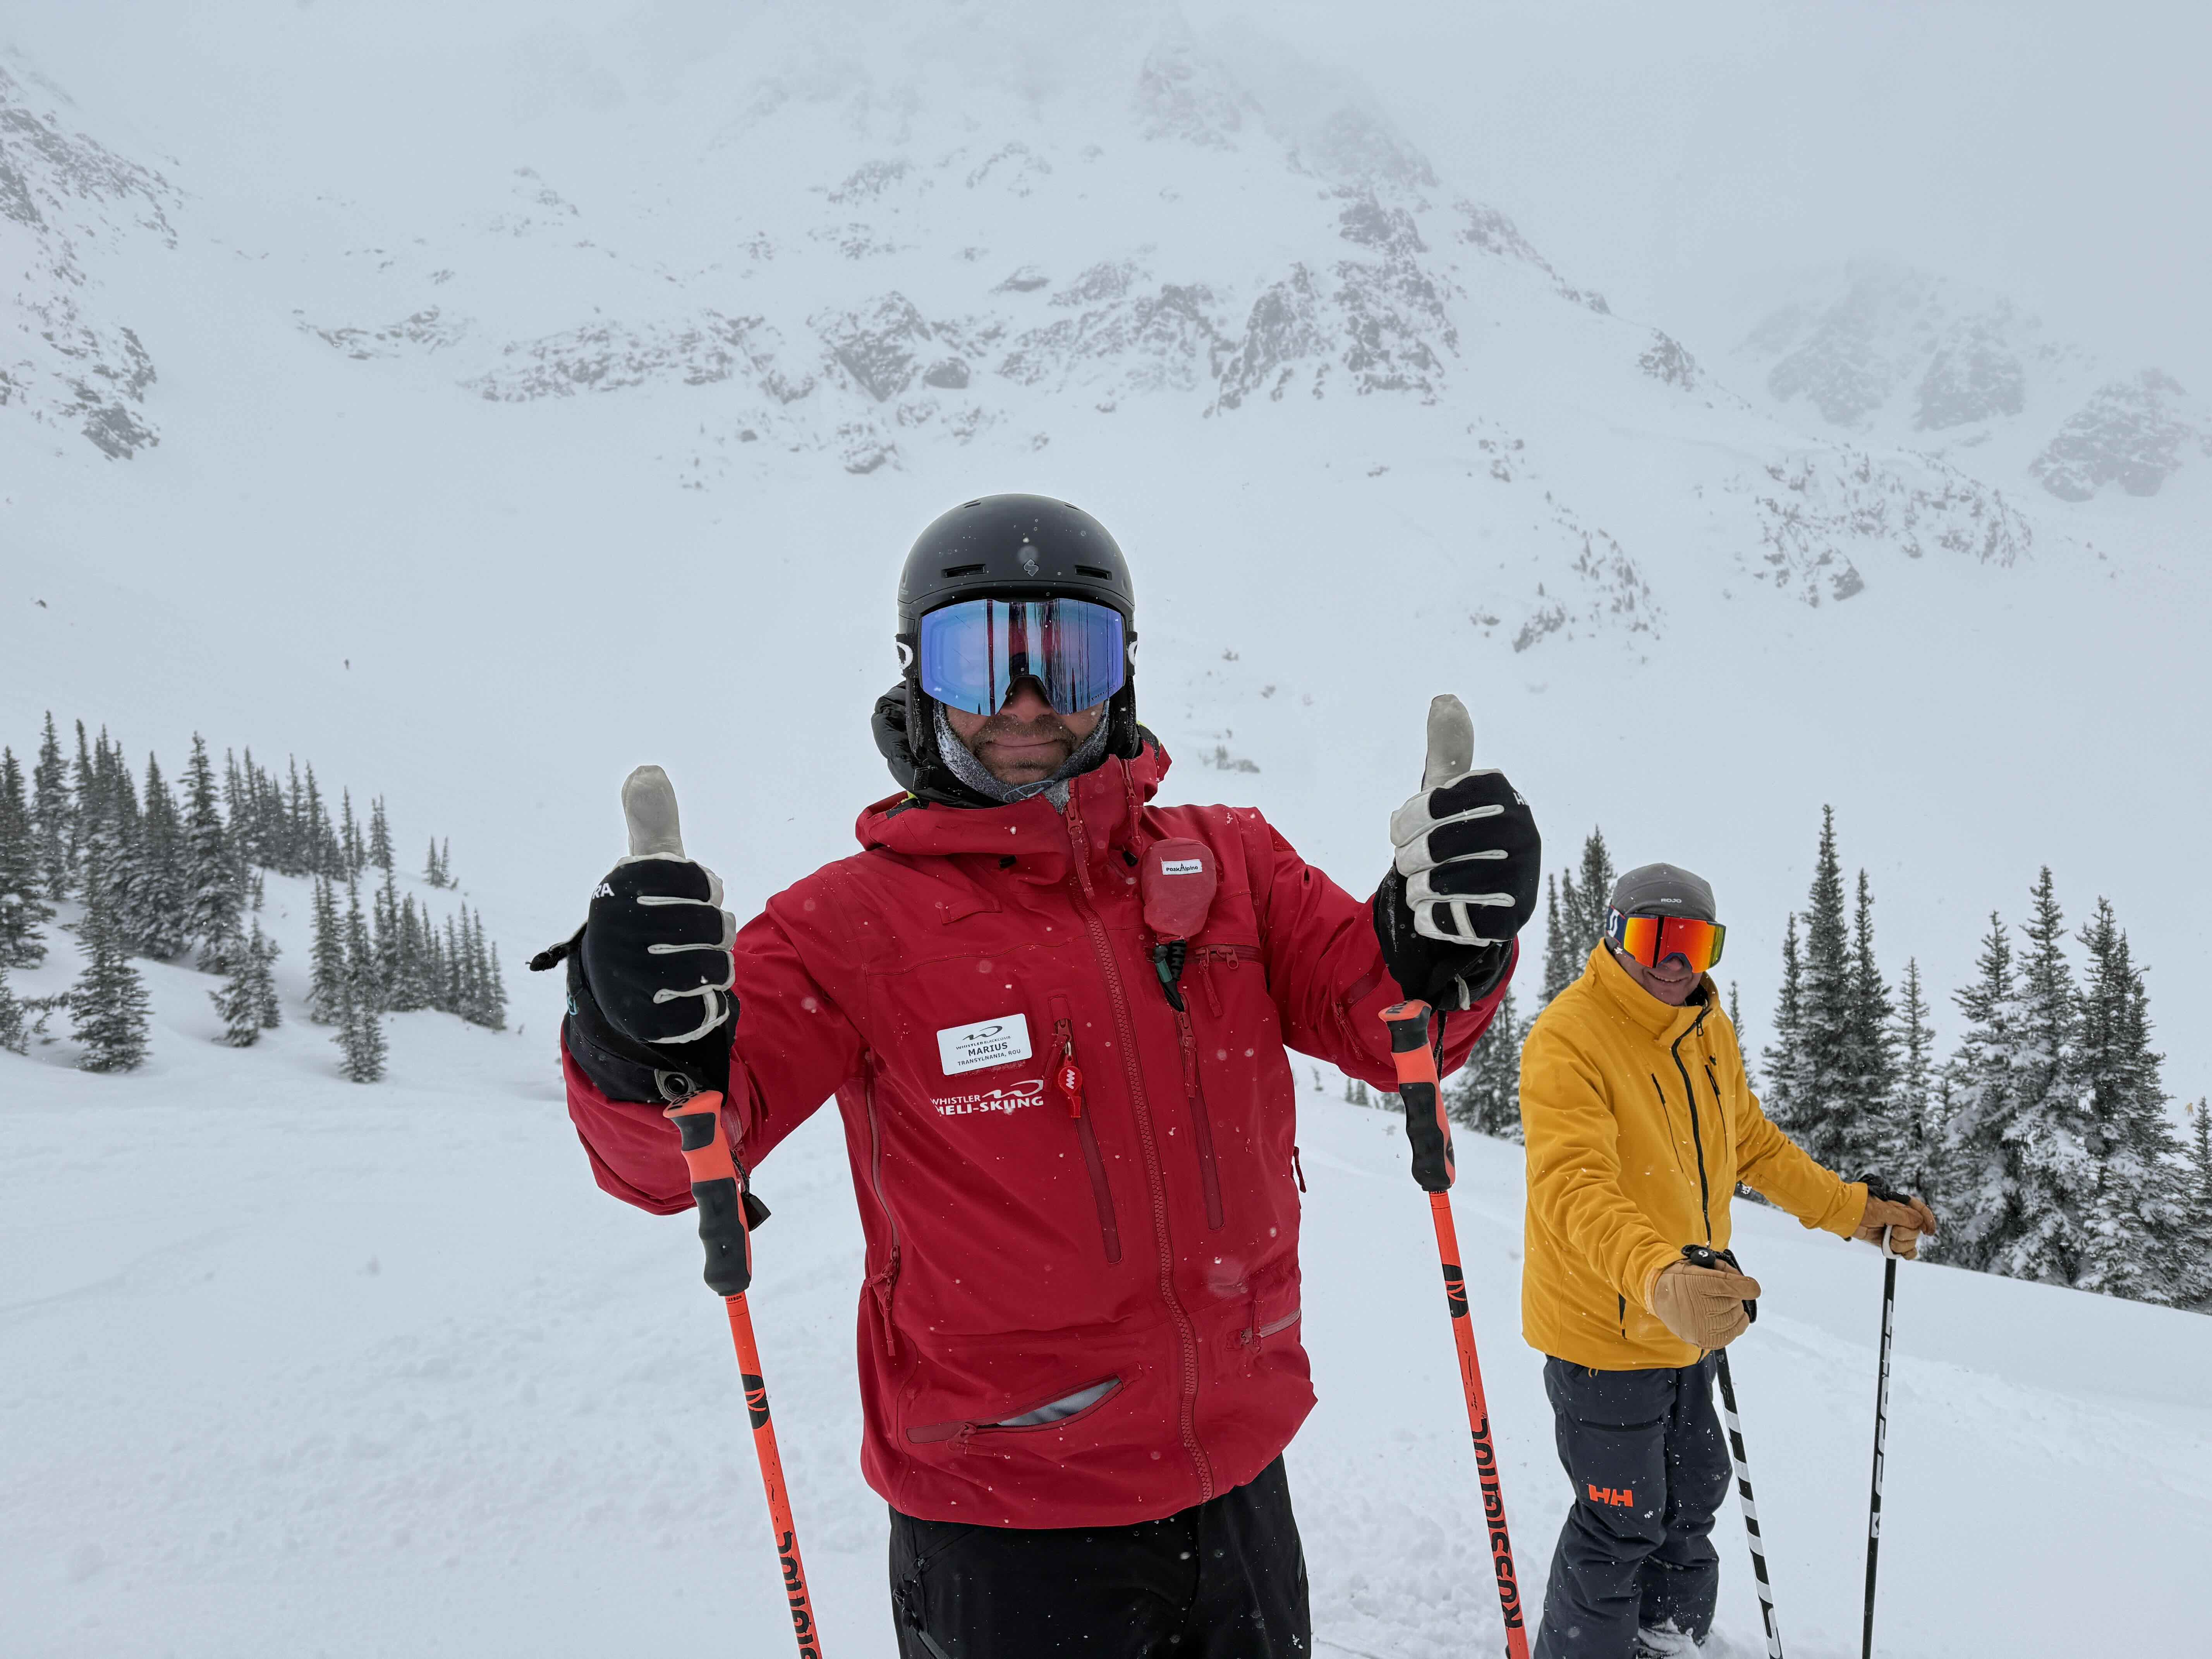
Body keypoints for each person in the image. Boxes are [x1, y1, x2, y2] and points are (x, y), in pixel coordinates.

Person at [556, 494, 1544, 1657]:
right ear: (919, 682)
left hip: (1237, 1494)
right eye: (979, 659)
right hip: (1003, 1533)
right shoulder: (851, 922)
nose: (1024, 702)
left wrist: (1449, 938)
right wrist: (632, 1040)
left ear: (1118, 674)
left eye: (1063, 658)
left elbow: (1393, 1024)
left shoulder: (1230, 861)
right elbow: (676, 1157)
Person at [1516, 862, 1937, 1659]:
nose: (1674, 962)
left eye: (1695, 943)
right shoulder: (1568, 1040)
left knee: (1691, 1499)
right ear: (1614, 936)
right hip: (1604, 1330)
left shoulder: (1706, 1031)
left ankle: (1666, 1640)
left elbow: (1752, 1143)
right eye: (1655, 938)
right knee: (1621, 1519)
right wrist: (1656, 1275)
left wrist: (1852, 1213)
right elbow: (1574, 1190)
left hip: (1691, 1318)